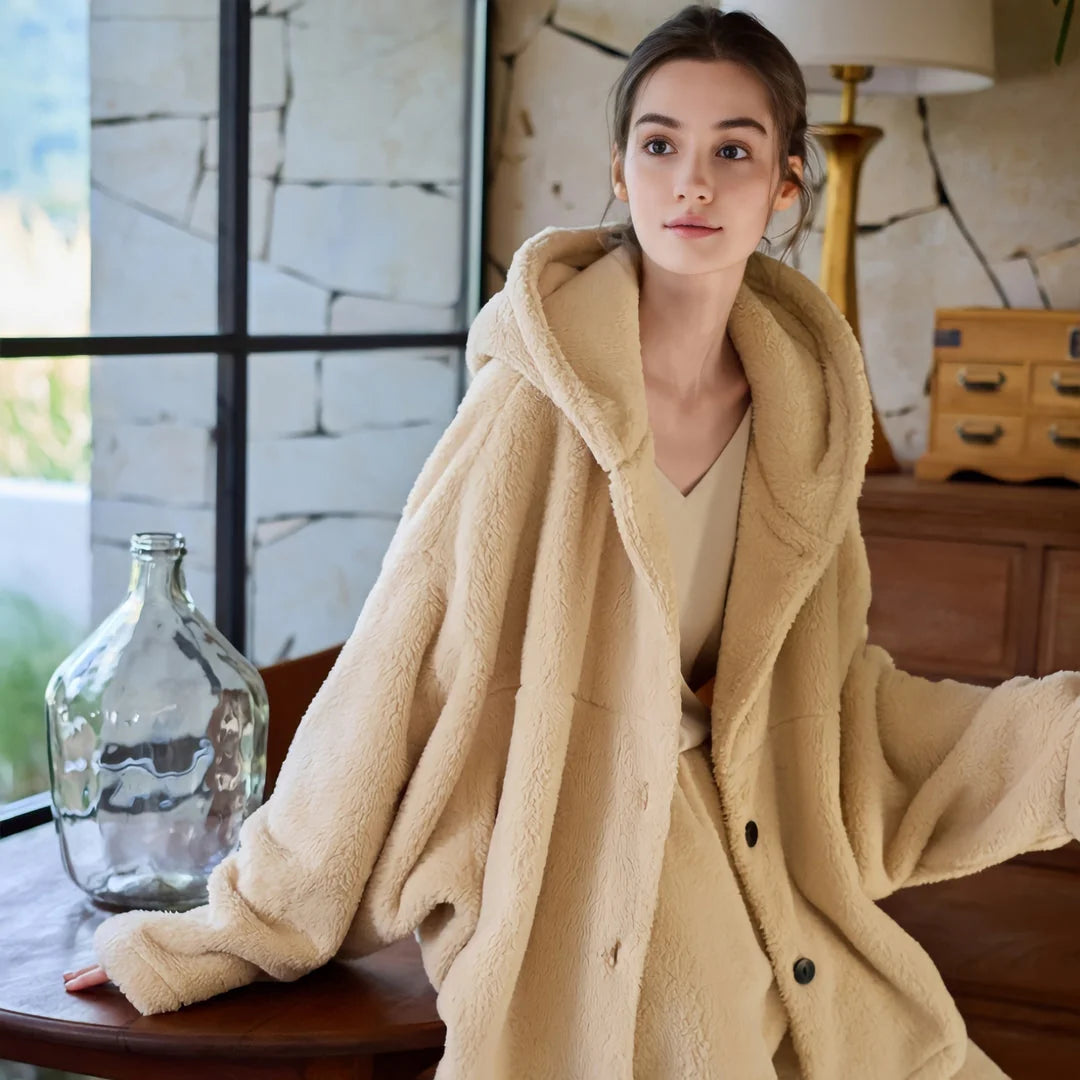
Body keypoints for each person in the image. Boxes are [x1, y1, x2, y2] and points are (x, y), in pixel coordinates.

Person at [65, 6, 1080, 1079]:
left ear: (786, 185)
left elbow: (832, 705)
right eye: (661, 145)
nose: (692, 182)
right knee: (713, 1027)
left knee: (901, 1040)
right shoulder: (534, 408)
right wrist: (235, 928)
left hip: (749, 826)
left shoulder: (809, 422)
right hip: (570, 839)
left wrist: (1056, 745)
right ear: (620, 168)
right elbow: (393, 665)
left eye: (733, 150)